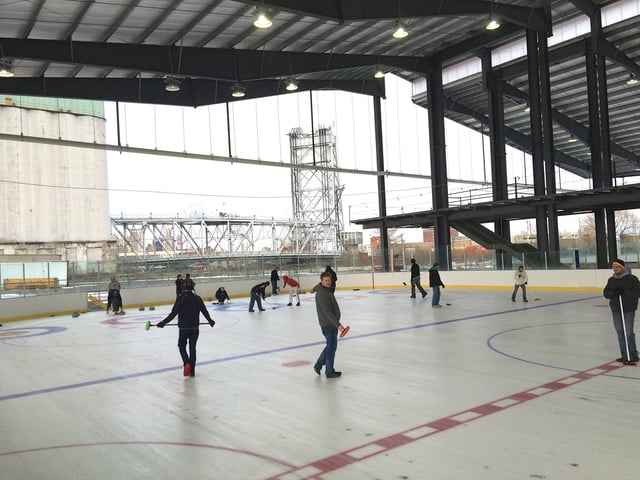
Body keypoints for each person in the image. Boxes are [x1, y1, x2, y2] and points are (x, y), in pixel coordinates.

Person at [157, 281, 215, 377]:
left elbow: (173, 313)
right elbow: (204, 311)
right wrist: (210, 321)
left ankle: (186, 362)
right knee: (192, 348)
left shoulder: (181, 298)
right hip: (195, 328)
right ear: (193, 288)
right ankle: (192, 371)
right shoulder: (197, 298)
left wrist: (163, 322)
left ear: (183, 287)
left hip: (184, 328)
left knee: (181, 346)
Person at [603, 258, 640, 363]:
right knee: (620, 333)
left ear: (622, 267)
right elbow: (606, 293)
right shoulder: (612, 280)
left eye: (618, 267)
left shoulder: (631, 279)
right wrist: (613, 293)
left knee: (628, 333)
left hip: (628, 309)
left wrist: (625, 292)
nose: (615, 269)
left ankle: (633, 354)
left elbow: (638, 292)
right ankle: (625, 355)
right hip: (616, 309)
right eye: (614, 267)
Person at [312, 271, 345, 378]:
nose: (328, 282)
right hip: (329, 324)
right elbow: (327, 312)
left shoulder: (327, 291)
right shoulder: (321, 294)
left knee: (331, 346)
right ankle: (329, 371)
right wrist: (338, 324)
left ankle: (318, 364)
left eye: (329, 280)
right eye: (326, 280)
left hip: (331, 324)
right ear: (321, 281)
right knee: (331, 348)